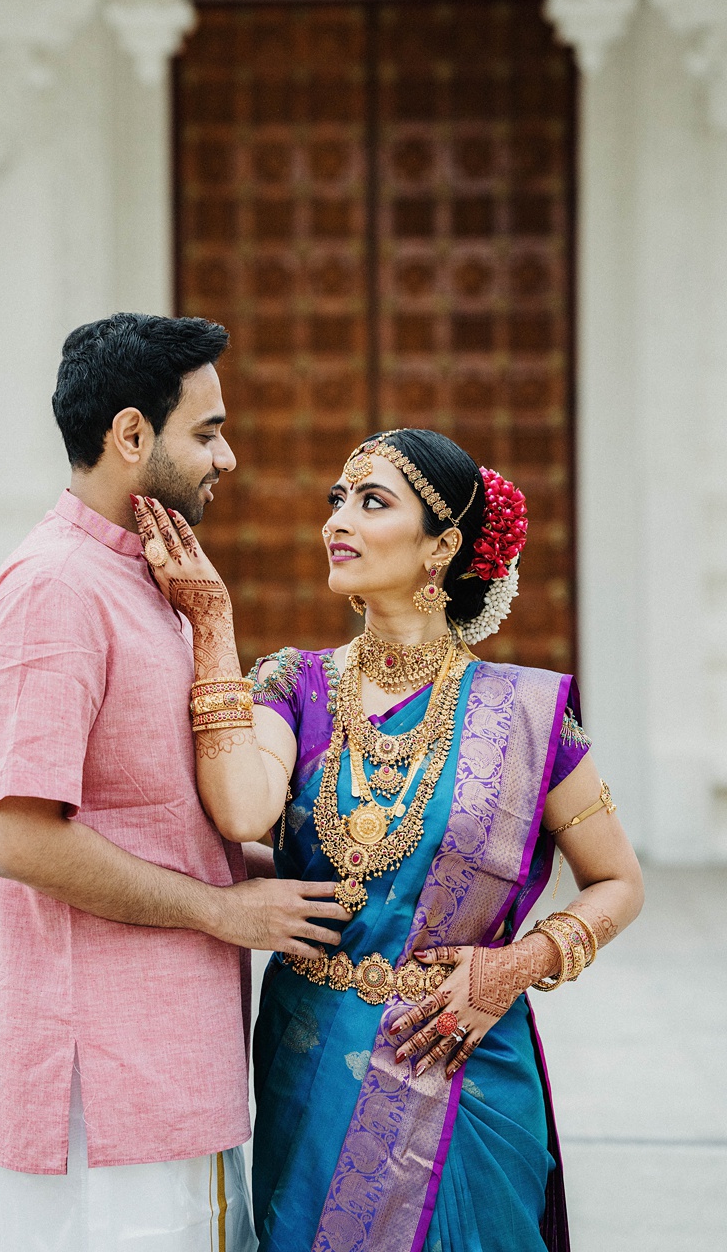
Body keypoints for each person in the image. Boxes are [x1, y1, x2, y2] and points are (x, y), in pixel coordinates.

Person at [132, 426, 644, 1252]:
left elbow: (619, 881)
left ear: (442, 545)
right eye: (338, 500)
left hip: (464, 1060)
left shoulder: (526, 713)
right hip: (314, 1062)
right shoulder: (291, 683)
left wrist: (519, 964)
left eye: (372, 502)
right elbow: (238, 808)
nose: (339, 519)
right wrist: (213, 624)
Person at [0, 312, 349, 1252]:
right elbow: (17, 837)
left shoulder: (150, 585)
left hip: (175, 1062)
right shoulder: (55, 588)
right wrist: (225, 911)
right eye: (207, 431)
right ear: (131, 435)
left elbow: (158, 818)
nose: (228, 456)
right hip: (106, 1084)